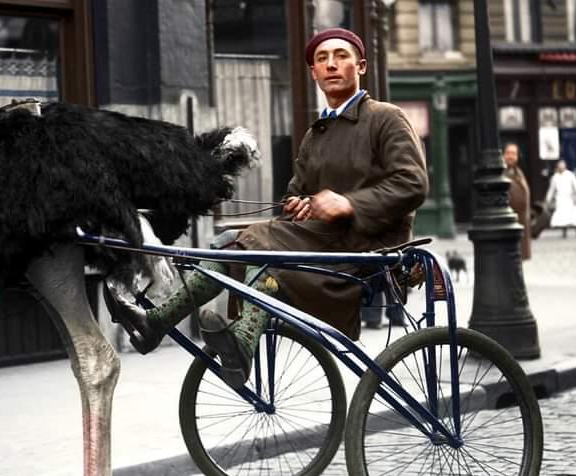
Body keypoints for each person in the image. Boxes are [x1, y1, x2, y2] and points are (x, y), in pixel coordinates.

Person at [107, 28, 429, 386]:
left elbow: (412, 184)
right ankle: (158, 324)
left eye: (341, 56)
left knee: (258, 244)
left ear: (361, 66)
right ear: (313, 73)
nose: (331, 65)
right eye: (322, 59)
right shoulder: (316, 134)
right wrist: (299, 204)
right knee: (234, 243)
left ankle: (241, 342)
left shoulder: (386, 117)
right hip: (323, 240)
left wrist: (349, 204)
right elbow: (297, 194)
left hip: (369, 245)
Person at [503, 143, 532, 260]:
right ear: (504, 155)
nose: (511, 156)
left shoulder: (518, 172)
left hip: (521, 220)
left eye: (513, 154)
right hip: (508, 220)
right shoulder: (502, 171)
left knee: (518, 257)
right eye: (508, 153)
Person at [546, 159, 576, 238]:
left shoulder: (570, 175)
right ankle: (564, 233)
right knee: (563, 218)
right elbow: (551, 190)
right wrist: (548, 199)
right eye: (560, 166)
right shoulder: (555, 177)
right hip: (560, 200)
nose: (561, 167)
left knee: (574, 217)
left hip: (570, 199)